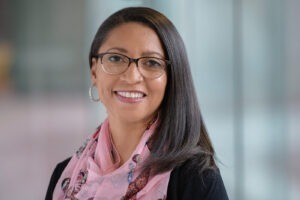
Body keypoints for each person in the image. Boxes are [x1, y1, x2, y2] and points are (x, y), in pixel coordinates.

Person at [46, 7, 228, 200]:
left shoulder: (197, 180)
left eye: (151, 62)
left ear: (171, 78)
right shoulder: (64, 176)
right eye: (116, 58)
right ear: (94, 72)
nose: (132, 76)